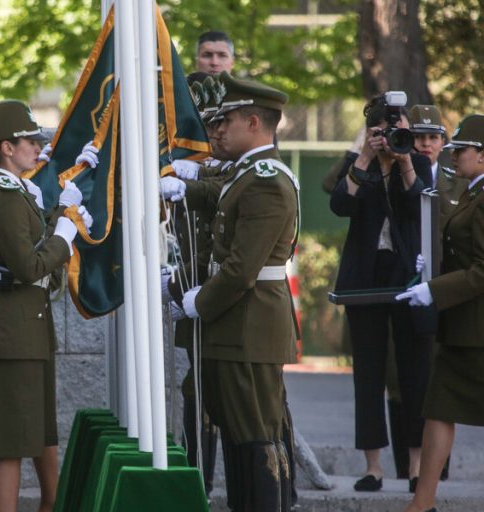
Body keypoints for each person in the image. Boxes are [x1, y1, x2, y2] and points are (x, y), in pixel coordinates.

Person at [162, 74, 298, 512]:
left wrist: (198, 302)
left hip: (251, 327)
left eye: (229, 120)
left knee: (257, 441)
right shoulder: (244, 175)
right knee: (242, 440)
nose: (219, 130)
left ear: (254, 122)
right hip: (239, 326)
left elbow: (241, 271)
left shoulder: (264, 179)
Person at [0, 100, 87, 512]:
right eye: (29, 140)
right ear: (6, 147)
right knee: (6, 445)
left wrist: (57, 218)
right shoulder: (4, 193)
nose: (37, 147)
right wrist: (64, 235)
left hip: (6, 325)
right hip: (11, 329)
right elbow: (28, 266)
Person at [330, 94, 434, 493]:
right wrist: (364, 158)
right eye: (386, 131)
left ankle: (415, 467)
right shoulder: (360, 166)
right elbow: (341, 204)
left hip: (408, 280)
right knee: (368, 375)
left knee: (415, 374)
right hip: (366, 282)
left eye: (401, 129)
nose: (394, 136)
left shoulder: (418, 161)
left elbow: (420, 204)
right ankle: (373, 466)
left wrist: (405, 159)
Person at [399, 114, 484, 512]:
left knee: (441, 410)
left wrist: (434, 290)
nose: (455, 158)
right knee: (438, 410)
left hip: (478, 328)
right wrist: (430, 267)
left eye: (461, 150)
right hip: (460, 326)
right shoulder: (471, 193)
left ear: (482, 156)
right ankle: (422, 502)